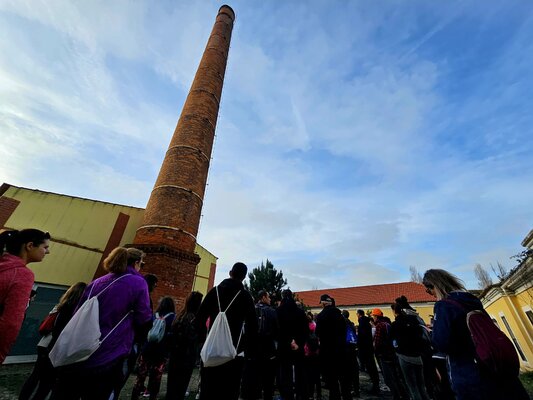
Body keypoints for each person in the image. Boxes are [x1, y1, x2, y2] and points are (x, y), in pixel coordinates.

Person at [51, 247, 152, 400]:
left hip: (79, 350)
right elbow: (144, 317)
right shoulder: (138, 282)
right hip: (110, 351)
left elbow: (78, 312)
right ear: (136, 263)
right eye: (142, 264)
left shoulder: (97, 281)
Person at [423, 269, 529, 400]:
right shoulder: (471, 300)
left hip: (470, 373)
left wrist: (434, 332)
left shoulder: (443, 306)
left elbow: (442, 342)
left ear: (435, 285)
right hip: (493, 363)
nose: (431, 294)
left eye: (429, 290)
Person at [195, 262, 258, 400]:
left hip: (212, 350)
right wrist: (247, 348)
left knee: (208, 389)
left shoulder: (215, 291)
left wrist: (203, 341)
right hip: (235, 352)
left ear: (230, 273)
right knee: (230, 391)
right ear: (244, 277)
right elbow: (253, 327)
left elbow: (199, 319)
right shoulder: (245, 296)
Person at [19, 282, 87, 400]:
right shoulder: (74, 310)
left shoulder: (61, 305)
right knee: (47, 382)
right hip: (54, 347)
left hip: (44, 343)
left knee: (35, 376)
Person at [0, 229, 51, 364]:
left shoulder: (4, 266)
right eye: (45, 247)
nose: (47, 252)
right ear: (30, 246)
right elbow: (10, 323)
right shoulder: (22, 274)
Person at [132, 296, 175, 400]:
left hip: (147, 349)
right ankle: (153, 396)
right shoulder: (173, 317)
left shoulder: (154, 316)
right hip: (160, 351)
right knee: (156, 377)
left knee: (141, 375)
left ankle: (134, 395)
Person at [241, 290, 279, 400]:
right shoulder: (272, 312)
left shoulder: (250, 310)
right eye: (268, 297)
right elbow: (277, 332)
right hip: (268, 352)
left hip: (253, 352)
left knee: (254, 382)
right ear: (263, 297)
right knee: (268, 383)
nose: (270, 299)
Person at [166, 291, 203, 400]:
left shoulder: (180, 316)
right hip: (186, 358)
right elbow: (198, 339)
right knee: (180, 387)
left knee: (171, 386)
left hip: (175, 356)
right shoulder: (195, 319)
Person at [390, 303, 431, 400]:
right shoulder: (413, 321)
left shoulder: (395, 324)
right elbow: (420, 334)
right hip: (418, 356)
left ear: (394, 311)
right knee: (421, 385)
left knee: (412, 387)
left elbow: (392, 339)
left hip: (404, 356)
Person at [315, 294, 351, 400]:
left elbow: (318, 333)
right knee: (344, 380)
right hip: (341, 351)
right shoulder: (340, 315)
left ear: (323, 303)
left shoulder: (321, 316)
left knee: (332, 381)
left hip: (328, 352)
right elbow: (344, 331)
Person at [276, 289, 309, 400]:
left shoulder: (278, 311)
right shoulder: (300, 312)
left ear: (282, 297)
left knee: (285, 373)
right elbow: (305, 330)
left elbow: (277, 330)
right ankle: (301, 394)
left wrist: (288, 341)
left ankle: (287, 395)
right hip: (298, 346)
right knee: (300, 372)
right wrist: (298, 342)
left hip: (284, 346)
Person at [371, 308, 408, 400]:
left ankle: (396, 396)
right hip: (391, 353)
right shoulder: (387, 323)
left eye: (373, 316)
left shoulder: (379, 325)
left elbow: (377, 342)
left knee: (388, 378)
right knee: (396, 376)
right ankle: (404, 395)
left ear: (376, 316)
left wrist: (375, 350)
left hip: (384, 354)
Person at [356, 309, 380, 394]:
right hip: (369, 347)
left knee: (370, 367)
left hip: (365, 349)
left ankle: (375, 386)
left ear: (359, 314)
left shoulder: (362, 322)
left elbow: (361, 337)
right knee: (372, 366)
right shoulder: (367, 322)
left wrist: (359, 346)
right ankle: (376, 384)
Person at [342, 310, 360, 398]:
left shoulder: (342, 324)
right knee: (354, 371)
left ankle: (350, 389)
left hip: (346, 350)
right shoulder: (351, 324)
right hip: (353, 349)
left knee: (348, 372)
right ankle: (357, 389)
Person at [304, 312, 321, 400]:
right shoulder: (315, 326)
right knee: (317, 375)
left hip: (308, 354)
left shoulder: (304, 328)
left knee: (309, 375)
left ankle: (310, 394)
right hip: (316, 353)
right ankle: (319, 394)